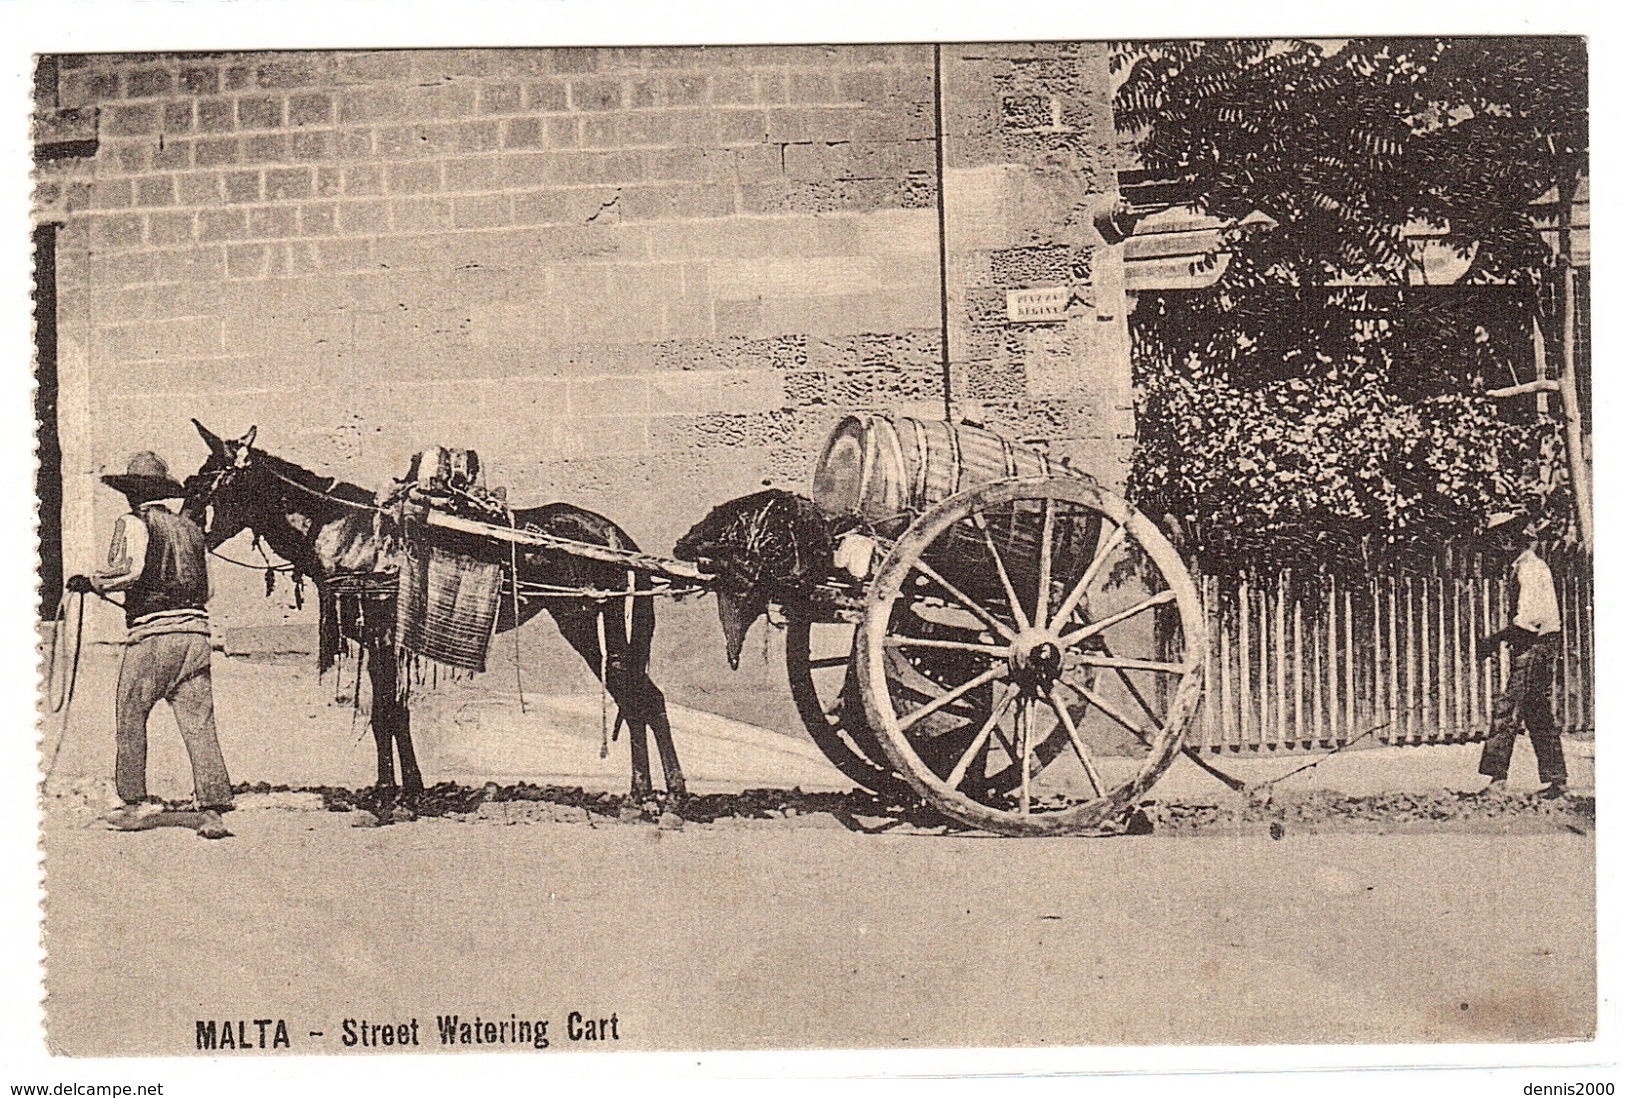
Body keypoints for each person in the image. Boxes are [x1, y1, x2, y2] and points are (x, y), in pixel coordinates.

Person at [67, 452, 233, 838]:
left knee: (130, 714)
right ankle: (212, 811)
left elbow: (131, 570)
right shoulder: (192, 529)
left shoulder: (131, 522)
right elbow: (208, 589)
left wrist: (93, 583)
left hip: (152, 637)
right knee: (199, 724)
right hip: (195, 635)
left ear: (132, 493)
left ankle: (134, 803)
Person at [1476, 511, 1566, 799]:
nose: (1497, 544)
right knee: (1537, 712)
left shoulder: (1528, 569)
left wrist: (1493, 640)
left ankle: (1497, 780)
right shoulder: (1530, 567)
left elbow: (1529, 621)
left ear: (1511, 538)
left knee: (1507, 711)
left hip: (1535, 646)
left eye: (1499, 538)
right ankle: (1556, 780)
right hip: (1543, 645)